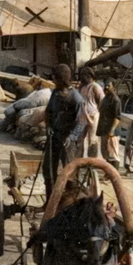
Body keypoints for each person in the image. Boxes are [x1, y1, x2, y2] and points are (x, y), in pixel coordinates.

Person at [43, 64, 86, 199]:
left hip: (68, 142)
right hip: (54, 136)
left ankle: (68, 204)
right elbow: (48, 112)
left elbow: (82, 121)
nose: (53, 81)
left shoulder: (76, 98)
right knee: (48, 169)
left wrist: (71, 136)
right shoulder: (55, 94)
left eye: (55, 78)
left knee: (69, 173)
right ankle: (50, 202)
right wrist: (48, 126)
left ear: (61, 79)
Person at [77, 67, 104, 158]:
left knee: (92, 140)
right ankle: (78, 161)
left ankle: (91, 164)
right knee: (79, 140)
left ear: (89, 76)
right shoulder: (81, 87)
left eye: (83, 76)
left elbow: (102, 102)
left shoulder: (96, 87)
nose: (81, 78)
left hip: (93, 116)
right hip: (82, 117)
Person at [96, 79, 122, 168]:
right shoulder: (105, 98)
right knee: (105, 152)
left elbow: (117, 117)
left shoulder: (115, 100)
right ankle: (108, 172)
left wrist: (112, 130)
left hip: (111, 131)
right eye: (105, 86)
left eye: (109, 86)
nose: (106, 88)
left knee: (113, 153)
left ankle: (114, 174)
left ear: (113, 87)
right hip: (104, 129)